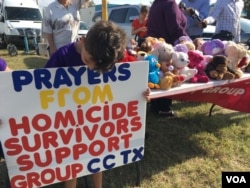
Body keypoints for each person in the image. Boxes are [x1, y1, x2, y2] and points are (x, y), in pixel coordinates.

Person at [45, 20, 150, 188]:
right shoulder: (62, 55)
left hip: (96, 120)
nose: (92, 68)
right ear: (84, 41)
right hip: (69, 121)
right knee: (73, 163)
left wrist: (139, 93)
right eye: (88, 60)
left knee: (97, 156)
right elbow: (39, 88)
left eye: (98, 66)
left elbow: (123, 85)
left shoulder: (106, 58)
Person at [146, 0, 188, 117]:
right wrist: (185, 41)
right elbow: (174, 28)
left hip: (154, 46)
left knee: (156, 75)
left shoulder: (157, 3)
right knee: (167, 76)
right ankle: (164, 108)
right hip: (166, 48)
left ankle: (156, 106)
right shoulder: (170, 3)